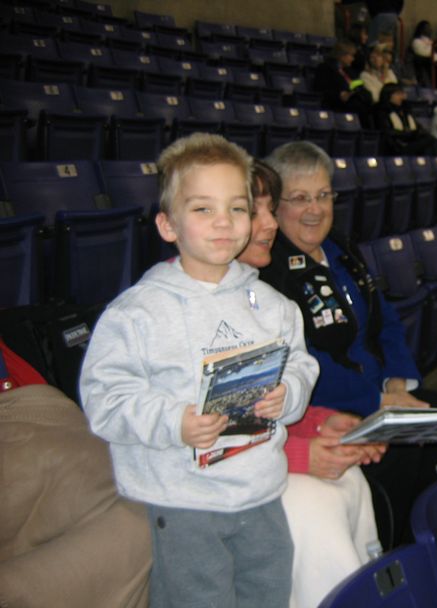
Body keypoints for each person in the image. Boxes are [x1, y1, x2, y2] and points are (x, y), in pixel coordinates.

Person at [79, 133, 320, 607]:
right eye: (203, 209)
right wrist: (174, 421)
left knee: (269, 594)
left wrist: (288, 393)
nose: (224, 223)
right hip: (184, 500)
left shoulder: (273, 306)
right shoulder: (137, 313)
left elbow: (300, 364)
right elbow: (105, 399)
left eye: (236, 208)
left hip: (260, 492)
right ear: (168, 225)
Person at [259, 141, 437, 549]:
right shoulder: (272, 277)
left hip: (382, 398)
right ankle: (399, 558)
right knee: (407, 453)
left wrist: (396, 384)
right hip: (335, 411)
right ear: (275, 206)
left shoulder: (341, 249)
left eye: (323, 196)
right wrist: (377, 400)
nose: (314, 209)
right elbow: (305, 366)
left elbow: (385, 320)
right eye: (299, 198)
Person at [238, 160, 383, 608]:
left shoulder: (260, 298)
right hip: (223, 481)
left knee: (350, 477)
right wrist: (300, 453)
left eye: (268, 209)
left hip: (268, 453)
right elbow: (209, 433)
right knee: (317, 507)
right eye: (253, 212)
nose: (269, 224)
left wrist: (323, 426)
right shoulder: (173, 314)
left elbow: (263, 408)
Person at [313, 40, 373, 128]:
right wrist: (339, 95)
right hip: (337, 104)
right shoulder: (325, 68)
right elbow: (321, 89)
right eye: (351, 56)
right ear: (341, 55)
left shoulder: (350, 72)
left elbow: (359, 86)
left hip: (354, 102)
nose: (353, 59)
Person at [374, 82, 437, 155]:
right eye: (398, 94)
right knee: (430, 142)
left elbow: (417, 127)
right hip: (396, 145)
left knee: (433, 141)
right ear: (388, 95)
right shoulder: (382, 111)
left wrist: (416, 133)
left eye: (402, 94)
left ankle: (433, 165)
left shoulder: (405, 110)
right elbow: (388, 132)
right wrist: (409, 134)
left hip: (410, 142)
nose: (402, 97)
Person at [409, 20, 437, 87]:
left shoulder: (431, 41)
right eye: (427, 27)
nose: (430, 29)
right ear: (421, 29)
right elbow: (425, 53)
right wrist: (435, 50)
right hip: (426, 64)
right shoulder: (416, 41)